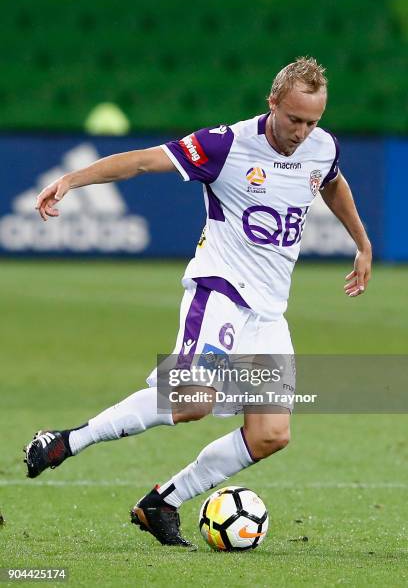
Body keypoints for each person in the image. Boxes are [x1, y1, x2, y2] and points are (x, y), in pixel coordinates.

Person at [24, 57, 372, 548]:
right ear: (272, 103)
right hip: (220, 290)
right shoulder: (225, 145)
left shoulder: (322, 146)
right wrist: (71, 180)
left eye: (312, 121)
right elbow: (145, 161)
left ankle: (161, 503)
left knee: (271, 434)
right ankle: (65, 441)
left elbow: (332, 181)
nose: (302, 131)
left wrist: (361, 242)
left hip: (269, 312)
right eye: (294, 119)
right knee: (192, 401)